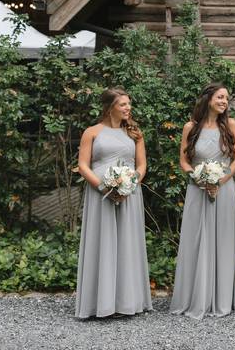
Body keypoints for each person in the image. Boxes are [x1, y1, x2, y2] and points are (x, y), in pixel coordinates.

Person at [75, 87, 154, 319]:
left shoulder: (135, 133)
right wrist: (102, 187)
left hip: (129, 194)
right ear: (110, 107)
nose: (128, 108)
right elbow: (83, 165)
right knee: (103, 242)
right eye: (123, 105)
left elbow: (141, 166)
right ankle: (99, 303)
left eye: (129, 104)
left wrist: (129, 184)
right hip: (100, 194)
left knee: (127, 243)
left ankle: (127, 302)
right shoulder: (92, 132)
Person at [170, 83, 235, 319]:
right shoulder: (190, 127)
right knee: (196, 239)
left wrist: (221, 180)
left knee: (223, 239)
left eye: (226, 98)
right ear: (208, 99)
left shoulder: (230, 125)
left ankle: (222, 298)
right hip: (197, 188)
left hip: (224, 188)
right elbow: (183, 161)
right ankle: (196, 295)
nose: (224, 101)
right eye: (220, 97)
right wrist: (199, 178)